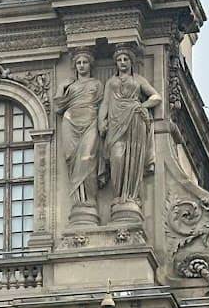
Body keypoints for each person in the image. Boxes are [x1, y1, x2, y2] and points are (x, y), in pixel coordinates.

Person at [98, 47, 161, 208]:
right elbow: (105, 103)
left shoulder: (138, 80)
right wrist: (101, 121)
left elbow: (156, 97)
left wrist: (142, 106)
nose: (122, 62)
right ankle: (118, 195)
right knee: (117, 157)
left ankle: (131, 196)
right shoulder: (111, 82)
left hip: (135, 121)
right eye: (119, 60)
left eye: (125, 59)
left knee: (133, 159)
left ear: (131, 62)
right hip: (115, 122)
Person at [58, 51, 104, 220]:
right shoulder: (71, 87)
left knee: (87, 158)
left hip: (91, 121)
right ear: (75, 66)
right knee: (72, 160)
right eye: (79, 63)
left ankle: (90, 200)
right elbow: (57, 107)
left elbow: (102, 105)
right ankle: (79, 201)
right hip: (70, 122)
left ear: (90, 65)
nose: (82, 65)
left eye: (85, 62)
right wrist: (61, 88)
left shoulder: (97, 84)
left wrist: (102, 122)